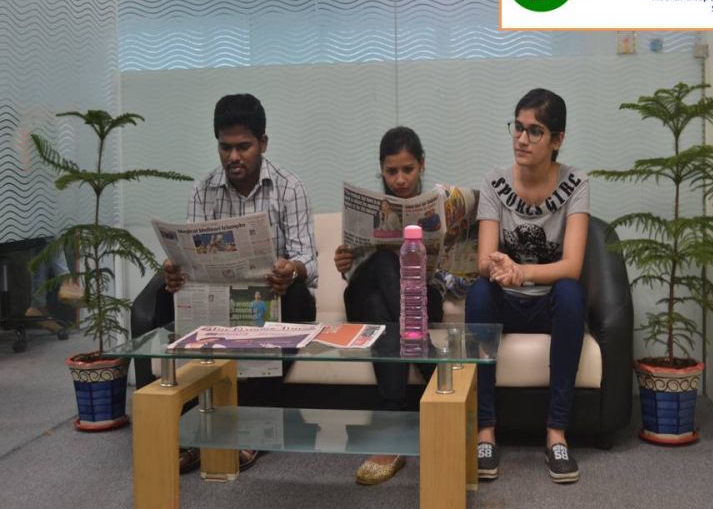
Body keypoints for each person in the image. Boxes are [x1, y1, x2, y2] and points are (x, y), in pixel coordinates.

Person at [163, 93, 318, 474]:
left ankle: (250, 426)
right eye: (225, 147)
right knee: (159, 296)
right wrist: (175, 271)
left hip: (275, 298)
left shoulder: (289, 187)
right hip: (217, 296)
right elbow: (191, 258)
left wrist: (291, 269)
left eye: (243, 147)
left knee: (298, 298)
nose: (233, 157)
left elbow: (308, 259)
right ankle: (191, 424)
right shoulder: (203, 190)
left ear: (263, 143)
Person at [466, 88, 589, 484]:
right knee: (479, 292)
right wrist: (499, 266)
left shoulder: (576, 182)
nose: (522, 139)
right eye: (518, 127)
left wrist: (523, 270)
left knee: (571, 294)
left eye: (535, 131)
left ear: (557, 139)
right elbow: (484, 259)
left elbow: (572, 266)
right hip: (505, 300)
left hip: (547, 303)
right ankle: (485, 432)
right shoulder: (494, 182)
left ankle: (556, 435)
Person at [333, 126, 445, 485]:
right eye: (391, 171)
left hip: (417, 298)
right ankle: (427, 357)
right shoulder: (367, 207)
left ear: (421, 164)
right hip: (364, 292)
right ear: (381, 169)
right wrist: (344, 261)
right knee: (383, 263)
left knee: (380, 304)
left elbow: (451, 278)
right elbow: (353, 272)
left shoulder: (436, 208)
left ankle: (390, 432)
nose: (399, 179)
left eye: (407, 169)